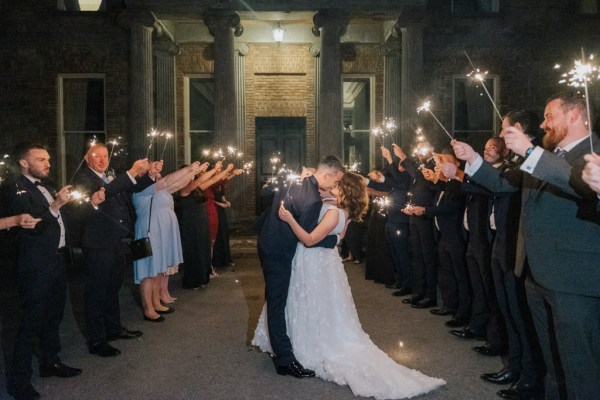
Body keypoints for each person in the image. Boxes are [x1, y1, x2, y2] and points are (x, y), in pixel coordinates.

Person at [453, 91, 600, 400]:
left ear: (574, 115)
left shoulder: (593, 152)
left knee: (580, 364)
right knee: (551, 357)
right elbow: (503, 185)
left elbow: (582, 185)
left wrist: (531, 152)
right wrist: (473, 160)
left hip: (574, 279)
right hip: (537, 273)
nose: (544, 124)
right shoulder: (549, 158)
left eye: (550, 117)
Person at [253, 172, 445, 398]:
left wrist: (290, 220)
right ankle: (299, 341)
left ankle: (308, 344)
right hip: (318, 264)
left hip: (315, 262)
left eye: (337, 185)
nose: (332, 186)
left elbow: (310, 239)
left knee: (313, 303)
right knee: (313, 303)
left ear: (344, 190)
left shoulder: (334, 211)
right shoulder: (336, 206)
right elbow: (336, 236)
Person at [7, 142, 104, 400]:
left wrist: (90, 203)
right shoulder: (16, 188)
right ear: (24, 163)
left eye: (48, 159)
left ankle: (51, 361)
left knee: (53, 316)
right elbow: (33, 225)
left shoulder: (49, 186)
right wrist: (55, 206)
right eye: (40, 159)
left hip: (57, 260)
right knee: (30, 322)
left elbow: (65, 220)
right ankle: (19, 382)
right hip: (35, 265)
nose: (47, 164)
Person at [255, 155, 344, 378]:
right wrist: (333, 240)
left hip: (265, 242)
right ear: (327, 174)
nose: (335, 185)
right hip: (280, 252)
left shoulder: (290, 180)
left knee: (275, 301)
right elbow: (307, 238)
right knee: (277, 303)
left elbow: (265, 192)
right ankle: (285, 360)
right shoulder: (313, 199)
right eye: (335, 181)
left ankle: (281, 351)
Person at [73, 143, 158, 357]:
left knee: (113, 288)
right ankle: (97, 340)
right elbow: (102, 195)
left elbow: (130, 188)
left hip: (115, 241)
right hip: (98, 243)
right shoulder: (83, 178)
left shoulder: (107, 176)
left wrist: (149, 176)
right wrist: (130, 173)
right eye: (97, 156)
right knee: (97, 291)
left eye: (105, 156)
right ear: (86, 158)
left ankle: (113, 328)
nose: (103, 160)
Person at [132, 161, 206, 322]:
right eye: (152, 171)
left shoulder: (160, 190)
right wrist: (189, 169)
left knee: (158, 269)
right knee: (148, 272)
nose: (158, 173)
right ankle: (148, 309)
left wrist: (193, 172)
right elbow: (167, 181)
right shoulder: (142, 188)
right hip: (147, 232)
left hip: (159, 232)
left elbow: (177, 183)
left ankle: (156, 302)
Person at [366, 147, 412, 296]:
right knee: (394, 252)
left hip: (400, 221)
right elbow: (382, 184)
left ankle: (407, 284)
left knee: (402, 253)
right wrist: (365, 180)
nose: (399, 166)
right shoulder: (396, 180)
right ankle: (400, 280)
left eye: (401, 164)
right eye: (398, 164)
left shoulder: (406, 179)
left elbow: (396, 181)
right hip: (391, 219)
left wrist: (390, 159)